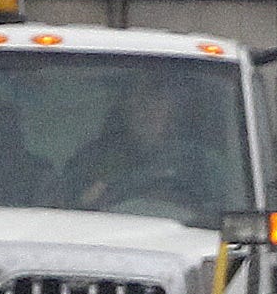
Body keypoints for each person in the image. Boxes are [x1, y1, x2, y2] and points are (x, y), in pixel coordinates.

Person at [64, 74, 228, 219]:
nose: (146, 108)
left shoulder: (202, 162)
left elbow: (223, 219)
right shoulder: (92, 158)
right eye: (137, 98)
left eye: (155, 97)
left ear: (172, 108)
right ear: (124, 106)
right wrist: (103, 184)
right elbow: (69, 212)